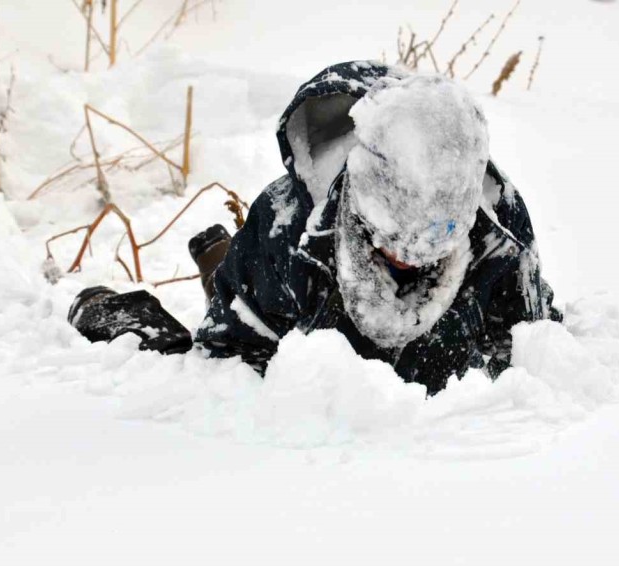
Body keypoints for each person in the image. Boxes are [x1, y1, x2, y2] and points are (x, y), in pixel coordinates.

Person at [68, 61, 561, 395]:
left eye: (436, 239)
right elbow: (227, 361)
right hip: (303, 347)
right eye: (394, 236)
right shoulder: (287, 229)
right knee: (211, 334)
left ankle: (222, 256)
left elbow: (533, 340)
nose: (411, 257)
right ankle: (163, 287)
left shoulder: (500, 225)